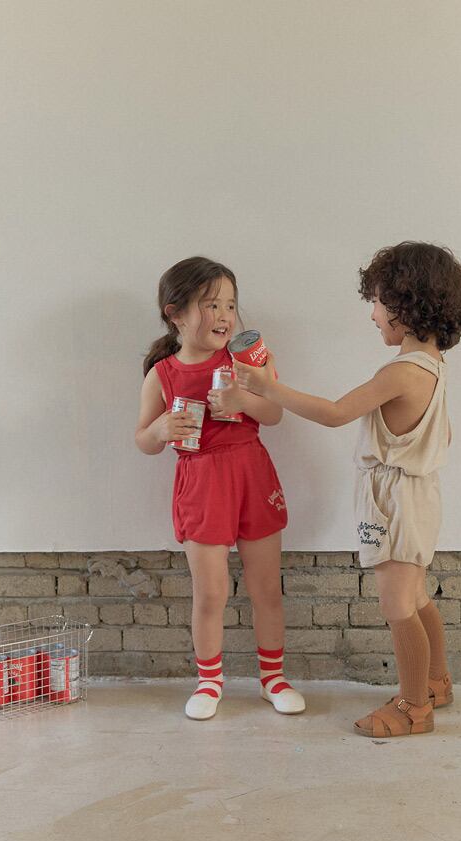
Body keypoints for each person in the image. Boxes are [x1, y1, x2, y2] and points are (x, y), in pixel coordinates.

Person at [235, 242, 461, 738]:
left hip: (394, 500)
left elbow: (334, 413)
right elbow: (444, 433)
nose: (373, 314)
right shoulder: (434, 365)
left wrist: (266, 387)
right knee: (416, 594)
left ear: (406, 305)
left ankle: (414, 708)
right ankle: (435, 682)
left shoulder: (401, 372)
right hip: (419, 493)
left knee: (397, 604)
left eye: (378, 302)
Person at [135, 256, 305, 720]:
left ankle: (273, 679)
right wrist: (161, 429)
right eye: (211, 305)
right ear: (175, 313)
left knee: (266, 587)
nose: (225, 315)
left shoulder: (247, 360)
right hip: (201, 483)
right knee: (210, 593)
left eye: (230, 304)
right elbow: (143, 439)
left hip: (253, 474)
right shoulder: (162, 374)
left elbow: (274, 414)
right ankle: (209, 682)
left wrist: (242, 398)